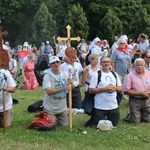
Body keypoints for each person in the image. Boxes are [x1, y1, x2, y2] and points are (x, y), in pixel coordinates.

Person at [89, 56, 122, 127]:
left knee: (114, 125)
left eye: (108, 62)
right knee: (98, 125)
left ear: (110, 63)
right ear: (100, 64)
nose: (106, 64)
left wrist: (114, 88)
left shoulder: (114, 74)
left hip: (113, 106)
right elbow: (91, 90)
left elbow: (120, 88)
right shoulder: (97, 75)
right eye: (104, 62)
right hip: (100, 106)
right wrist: (105, 89)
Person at [42, 56, 71, 126]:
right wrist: (63, 88)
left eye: (57, 62)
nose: (56, 64)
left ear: (60, 63)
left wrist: (71, 83)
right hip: (50, 108)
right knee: (51, 125)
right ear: (50, 65)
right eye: (53, 63)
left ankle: (57, 118)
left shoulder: (65, 74)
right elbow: (49, 92)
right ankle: (46, 115)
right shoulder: (47, 76)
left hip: (62, 108)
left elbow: (71, 88)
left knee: (64, 125)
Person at [123, 58, 150, 123]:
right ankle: (129, 114)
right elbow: (126, 90)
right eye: (138, 65)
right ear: (134, 66)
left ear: (144, 66)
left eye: (141, 65)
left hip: (147, 99)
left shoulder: (149, 74)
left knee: (148, 120)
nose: (140, 67)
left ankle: (140, 114)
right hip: (135, 100)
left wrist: (148, 92)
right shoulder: (130, 76)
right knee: (135, 121)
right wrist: (140, 93)